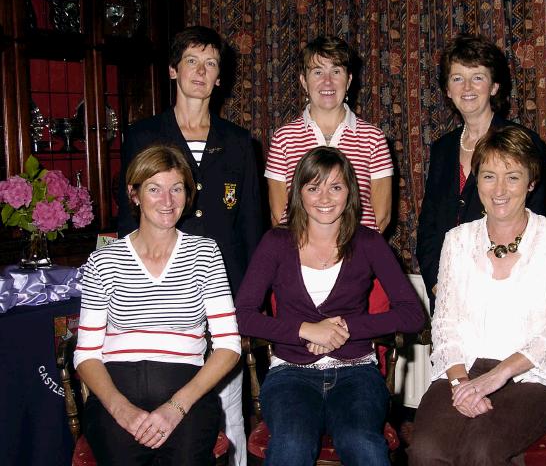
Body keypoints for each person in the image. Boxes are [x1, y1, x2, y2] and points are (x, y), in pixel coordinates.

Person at [117, 26, 262, 466]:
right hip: (158, 294)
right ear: (173, 70)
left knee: (228, 410)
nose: (201, 71)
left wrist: (250, 303)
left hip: (224, 293)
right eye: (192, 62)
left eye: (211, 63)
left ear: (220, 77)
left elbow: (251, 228)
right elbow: (128, 222)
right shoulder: (143, 136)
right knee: (162, 405)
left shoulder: (238, 142)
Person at [236, 147, 425, 466]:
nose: (324, 197)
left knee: (361, 441)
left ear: (350, 192)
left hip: (357, 373)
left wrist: (348, 328)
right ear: (299, 193)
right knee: (292, 443)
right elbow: (242, 316)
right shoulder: (276, 243)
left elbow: (412, 313)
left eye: (335, 187)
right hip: (290, 374)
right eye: (313, 187)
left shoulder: (368, 242)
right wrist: (304, 330)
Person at [408, 126, 546, 465]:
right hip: (462, 371)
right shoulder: (457, 241)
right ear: (477, 180)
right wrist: (461, 383)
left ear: (531, 182)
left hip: (530, 378)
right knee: (426, 451)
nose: (499, 190)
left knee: (481, 449)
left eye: (513, 177)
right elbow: (445, 322)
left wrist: (498, 375)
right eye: (489, 176)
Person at [75, 144, 241, 465]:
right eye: (154, 189)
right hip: (115, 394)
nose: (167, 201)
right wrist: (122, 410)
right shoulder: (103, 261)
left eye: (176, 189)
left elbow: (229, 347)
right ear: (134, 194)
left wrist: (175, 408)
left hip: (187, 394)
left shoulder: (205, 254)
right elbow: (86, 354)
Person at [416, 33, 546, 315]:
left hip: (501, 289)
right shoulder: (443, 148)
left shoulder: (522, 142)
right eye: (457, 78)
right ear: (447, 90)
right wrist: (436, 283)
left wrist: (498, 283)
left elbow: (535, 224)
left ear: (494, 86)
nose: (467, 87)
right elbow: (429, 225)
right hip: (446, 293)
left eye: (477, 77)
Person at [265, 34, 393, 315]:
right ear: (303, 81)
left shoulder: (373, 138)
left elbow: (380, 216)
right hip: (299, 272)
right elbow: (279, 215)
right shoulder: (284, 139)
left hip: (361, 271)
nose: (327, 82)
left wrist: (350, 263)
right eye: (317, 72)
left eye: (336, 71)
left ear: (348, 81)